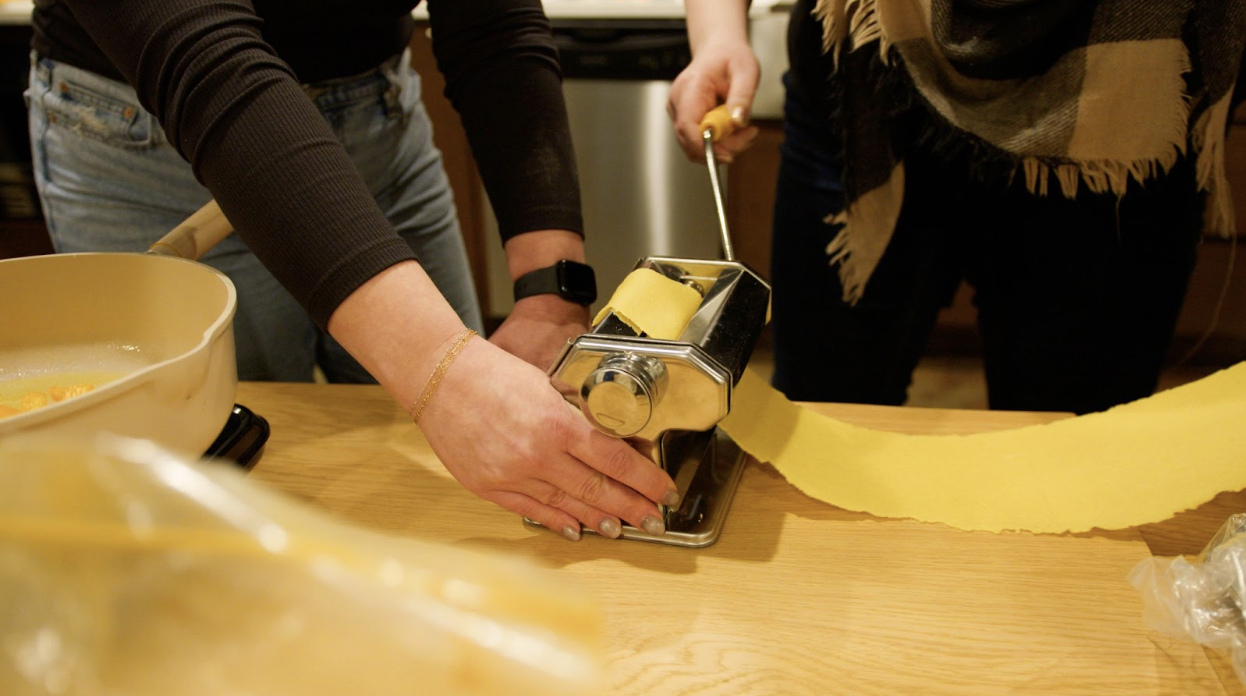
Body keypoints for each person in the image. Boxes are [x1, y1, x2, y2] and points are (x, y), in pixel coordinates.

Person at [27, 0, 680, 541]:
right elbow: (203, 57)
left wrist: (550, 295)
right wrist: (442, 373)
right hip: (157, 132)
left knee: (463, 488)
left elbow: (493, 21)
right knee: (221, 516)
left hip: (377, 115)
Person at [669, 0, 1245, 415]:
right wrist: (719, 32)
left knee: (1073, 441)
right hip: (870, 89)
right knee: (827, 413)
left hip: (1121, 115)